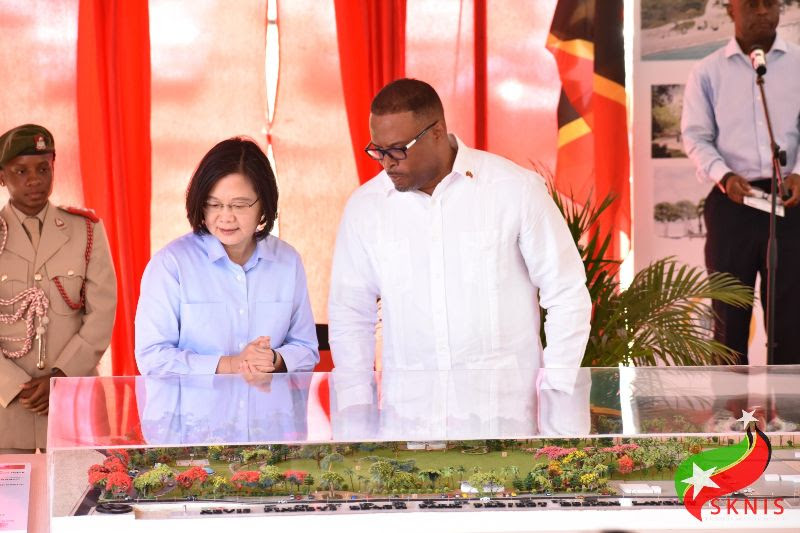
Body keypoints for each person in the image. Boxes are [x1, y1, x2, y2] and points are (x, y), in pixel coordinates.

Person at [328, 79, 592, 395]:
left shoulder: (514, 190)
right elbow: (350, 312)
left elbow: (566, 292)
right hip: (411, 412)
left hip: (505, 409)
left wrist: (557, 390)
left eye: (397, 150)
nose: (387, 163)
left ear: (437, 132)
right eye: (378, 151)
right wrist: (356, 401)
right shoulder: (366, 208)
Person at [135, 137, 319, 377]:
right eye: (213, 205)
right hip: (196, 402)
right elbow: (152, 358)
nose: (226, 217)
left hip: (266, 400)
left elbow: (306, 349)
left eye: (239, 205)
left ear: (264, 204)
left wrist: (272, 359)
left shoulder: (287, 261)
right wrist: (232, 365)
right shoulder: (171, 264)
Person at [682, 0, 800, 365]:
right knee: (728, 319)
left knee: (791, 319)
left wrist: (799, 172)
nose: (762, 11)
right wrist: (724, 175)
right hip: (733, 202)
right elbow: (695, 137)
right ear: (731, 10)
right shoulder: (707, 71)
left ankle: (789, 403)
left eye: (770, 3)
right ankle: (731, 403)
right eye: (751, 3)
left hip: (791, 201)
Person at [0, 124, 117, 453]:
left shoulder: (86, 230)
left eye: (43, 168)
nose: (34, 179)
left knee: (82, 483)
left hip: (74, 401)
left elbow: (102, 312)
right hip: (8, 405)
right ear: (2, 176)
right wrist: (13, 385)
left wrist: (62, 377)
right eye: (21, 171)